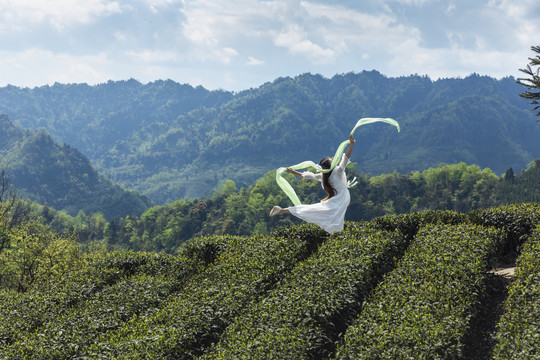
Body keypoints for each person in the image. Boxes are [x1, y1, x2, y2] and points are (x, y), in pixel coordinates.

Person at [269, 135, 355, 234]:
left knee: (315, 210)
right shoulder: (338, 171)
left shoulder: (323, 175)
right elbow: (346, 158)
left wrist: (293, 172)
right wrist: (351, 144)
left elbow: (305, 176)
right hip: (341, 199)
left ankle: (282, 210)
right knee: (331, 217)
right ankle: (337, 234)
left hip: (337, 200)